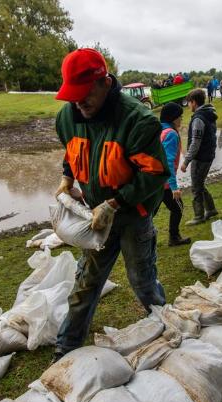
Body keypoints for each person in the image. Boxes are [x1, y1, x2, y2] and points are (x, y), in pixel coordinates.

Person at [53, 48, 170, 361]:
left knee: (142, 281)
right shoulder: (68, 116)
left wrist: (114, 204)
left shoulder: (137, 121)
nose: (79, 103)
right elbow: (71, 150)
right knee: (86, 283)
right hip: (96, 218)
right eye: (72, 96)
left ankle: (168, 325)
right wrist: (67, 177)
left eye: (84, 95)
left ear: (104, 82)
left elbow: (156, 174)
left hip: (133, 216)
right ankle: (66, 346)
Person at [181, 88, 218, 225]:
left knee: (196, 187)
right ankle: (211, 209)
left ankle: (198, 216)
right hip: (209, 154)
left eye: (189, 103)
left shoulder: (198, 118)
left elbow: (195, 143)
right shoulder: (209, 113)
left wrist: (186, 161)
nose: (188, 105)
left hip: (201, 157)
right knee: (200, 184)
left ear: (194, 102)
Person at [155, 102, 191, 246]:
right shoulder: (171, 134)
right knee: (178, 207)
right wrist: (174, 187)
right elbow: (168, 162)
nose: (181, 119)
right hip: (164, 183)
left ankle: (141, 238)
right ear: (173, 118)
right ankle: (174, 238)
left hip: (154, 181)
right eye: (179, 117)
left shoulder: (160, 131)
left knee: (150, 213)